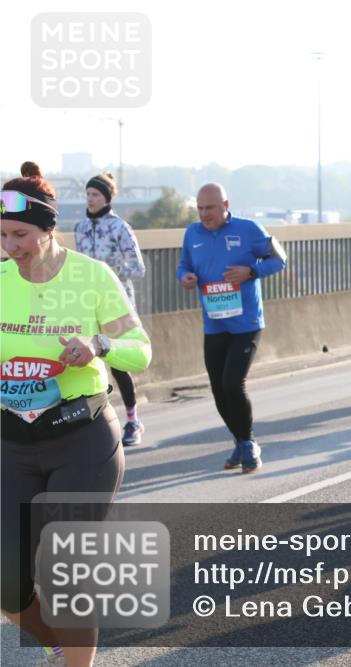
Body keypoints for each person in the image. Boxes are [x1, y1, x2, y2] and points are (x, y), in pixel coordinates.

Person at [2, 162, 152, 667]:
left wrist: (98, 344)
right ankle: (57, 641)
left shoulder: (91, 277)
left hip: (81, 437)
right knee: (6, 578)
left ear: (49, 230)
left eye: (21, 234)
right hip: (11, 439)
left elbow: (140, 350)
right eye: (1, 234)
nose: (11, 245)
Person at [176, 183, 287, 472]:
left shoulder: (249, 229)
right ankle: (240, 441)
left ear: (225, 205)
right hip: (214, 324)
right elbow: (183, 265)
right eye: (199, 208)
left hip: (246, 323)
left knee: (232, 383)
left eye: (210, 208)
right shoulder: (192, 233)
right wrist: (186, 276)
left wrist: (251, 271)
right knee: (217, 389)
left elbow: (279, 259)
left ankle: (249, 443)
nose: (204, 214)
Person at [74, 172, 147, 446]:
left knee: (116, 363)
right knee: (88, 360)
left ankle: (133, 420)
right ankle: (92, 423)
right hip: (87, 303)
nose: (91, 199)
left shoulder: (120, 228)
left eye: (96, 195)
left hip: (116, 304)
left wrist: (108, 272)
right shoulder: (80, 228)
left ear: (107, 197)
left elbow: (138, 268)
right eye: (88, 195)